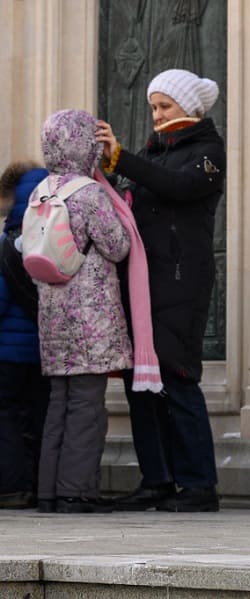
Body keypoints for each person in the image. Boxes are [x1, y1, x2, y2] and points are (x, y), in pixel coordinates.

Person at [95, 68, 225, 513]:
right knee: (140, 381)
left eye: (164, 106)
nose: (156, 115)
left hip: (179, 284)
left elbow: (179, 187)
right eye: (153, 107)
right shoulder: (156, 153)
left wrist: (124, 160)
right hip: (142, 282)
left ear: (189, 108)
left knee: (176, 377)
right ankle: (158, 480)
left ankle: (199, 484)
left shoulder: (208, 151)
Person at [33, 109, 133, 514]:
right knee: (87, 408)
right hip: (90, 320)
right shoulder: (87, 193)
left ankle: (49, 491)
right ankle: (77, 491)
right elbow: (117, 246)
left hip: (52, 318)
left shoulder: (42, 190)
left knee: (58, 404)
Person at [0, 161, 49, 509]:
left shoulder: (10, 243)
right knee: (39, 416)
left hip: (7, 352)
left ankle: (14, 487)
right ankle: (39, 484)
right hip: (45, 350)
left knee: (5, 415)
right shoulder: (52, 234)